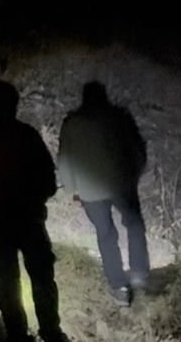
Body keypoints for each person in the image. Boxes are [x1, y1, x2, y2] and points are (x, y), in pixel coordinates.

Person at [0, 82, 69, 342]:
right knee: (41, 275)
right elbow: (49, 180)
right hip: (29, 218)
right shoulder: (27, 135)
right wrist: (35, 196)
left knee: (6, 279)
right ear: (14, 106)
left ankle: (18, 334)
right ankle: (50, 332)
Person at [57, 81, 151, 305]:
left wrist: (71, 189)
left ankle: (119, 287)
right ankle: (139, 274)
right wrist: (134, 174)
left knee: (106, 234)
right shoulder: (118, 117)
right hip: (121, 183)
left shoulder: (72, 123)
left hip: (90, 190)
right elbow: (137, 149)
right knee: (134, 224)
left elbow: (65, 159)